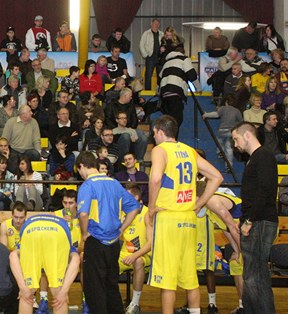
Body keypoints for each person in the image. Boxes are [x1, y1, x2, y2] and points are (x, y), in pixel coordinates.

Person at [146, 115, 223, 314]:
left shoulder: (160, 150)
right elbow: (217, 177)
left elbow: (155, 179)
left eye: (154, 133)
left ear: (161, 132)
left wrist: (151, 207)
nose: (154, 137)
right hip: (189, 218)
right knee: (190, 277)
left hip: (168, 217)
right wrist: (199, 203)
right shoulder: (190, 151)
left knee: (167, 280)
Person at [74, 151, 140, 313]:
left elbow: (83, 213)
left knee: (94, 289)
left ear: (81, 166)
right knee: (111, 286)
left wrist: (84, 234)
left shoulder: (88, 185)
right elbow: (134, 208)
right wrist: (121, 229)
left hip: (96, 241)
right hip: (113, 243)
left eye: (79, 170)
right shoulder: (114, 183)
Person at [231, 122, 278, 313]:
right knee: (252, 275)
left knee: (255, 277)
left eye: (236, 139)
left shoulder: (264, 156)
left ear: (248, 135)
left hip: (259, 222)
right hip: (255, 221)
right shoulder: (254, 158)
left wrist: (249, 220)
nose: (235, 144)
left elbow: (264, 190)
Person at [9, 214, 80, 314]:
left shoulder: (21, 242)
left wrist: (23, 288)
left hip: (30, 227)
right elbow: (76, 259)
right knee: (58, 292)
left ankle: (27, 290)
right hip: (59, 229)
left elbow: (12, 256)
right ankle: (59, 292)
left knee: (27, 292)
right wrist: (64, 291)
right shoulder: (69, 243)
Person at [118, 183, 152, 314]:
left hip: (144, 255)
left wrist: (135, 255)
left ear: (137, 197)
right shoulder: (122, 212)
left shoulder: (147, 214)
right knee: (106, 262)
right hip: (124, 253)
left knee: (138, 262)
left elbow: (150, 244)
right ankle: (114, 301)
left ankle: (135, 304)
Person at [159, 46, 199, 131]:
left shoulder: (167, 62)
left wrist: (158, 91)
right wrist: (199, 88)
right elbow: (192, 74)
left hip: (164, 93)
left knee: (169, 119)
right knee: (177, 120)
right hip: (175, 91)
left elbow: (159, 78)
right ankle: (172, 140)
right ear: (183, 53)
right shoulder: (184, 59)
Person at [202, 93, 244, 168]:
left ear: (226, 102)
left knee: (219, 140)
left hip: (222, 130)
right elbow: (241, 122)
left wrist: (206, 114)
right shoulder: (237, 111)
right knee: (229, 148)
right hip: (232, 132)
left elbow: (216, 114)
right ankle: (229, 166)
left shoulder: (223, 108)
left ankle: (220, 151)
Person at [139, 18, 163, 90]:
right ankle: (147, 91)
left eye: (158, 24)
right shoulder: (146, 33)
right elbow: (141, 45)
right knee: (148, 75)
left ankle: (159, 90)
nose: (156, 25)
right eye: (155, 23)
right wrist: (145, 55)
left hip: (160, 57)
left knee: (160, 75)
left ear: (159, 25)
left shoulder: (162, 34)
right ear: (151, 24)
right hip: (150, 57)